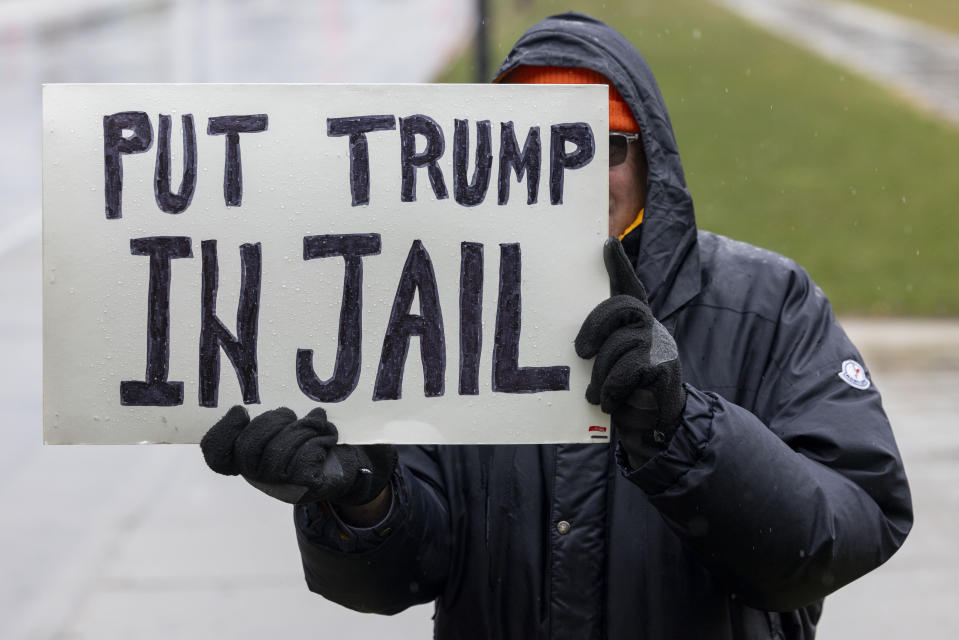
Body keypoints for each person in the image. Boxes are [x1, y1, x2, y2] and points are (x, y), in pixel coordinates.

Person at [200, 12, 912, 639]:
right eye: (528, 145)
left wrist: (684, 431)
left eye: (597, 146)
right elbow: (395, 579)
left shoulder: (766, 303)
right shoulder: (435, 309)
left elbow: (844, 532)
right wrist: (362, 503)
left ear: (649, 161)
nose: (563, 174)